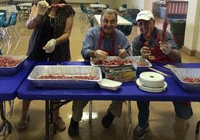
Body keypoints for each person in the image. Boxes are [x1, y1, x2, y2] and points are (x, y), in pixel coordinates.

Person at [17, 0, 75, 132]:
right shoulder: (40, 5)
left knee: (57, 84)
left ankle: (56, 116)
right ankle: (24, 114)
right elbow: (29, 26)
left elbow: (67, 33)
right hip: (37, 50)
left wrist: (55, 41)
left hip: (58, 51)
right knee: (29, 82)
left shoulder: (68, 10)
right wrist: (38, 16)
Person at [68, 8, 132, 137]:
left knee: (122, 90)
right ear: (100, 21)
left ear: (116, 22)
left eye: (112, 22)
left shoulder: (120, 36)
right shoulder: (92, 33)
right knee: (81, 92)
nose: (109, 25)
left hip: (114, 73)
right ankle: (75, 120)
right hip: (94, 70)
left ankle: (112, 113)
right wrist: (94, 53)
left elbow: (129, 53)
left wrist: (125, 54)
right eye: (106, 21)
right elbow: (84, 51)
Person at [132, 10, 193, 140]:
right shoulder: (137, 41)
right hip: (148, 74)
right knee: (141, 93)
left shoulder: (164, 35)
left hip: (169, 73)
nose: (143, 27)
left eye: (147, 23)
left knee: (185, 113)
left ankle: (180, 109)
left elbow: (177, 57)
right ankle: (143, 124)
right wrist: (140, 58)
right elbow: (134, 66)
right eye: (140, 24)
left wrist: (169, 51)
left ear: (153, 22)